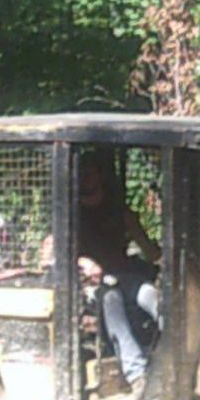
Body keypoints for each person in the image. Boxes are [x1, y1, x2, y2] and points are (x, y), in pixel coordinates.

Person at [74, 156, 161, 387]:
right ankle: (137, 375)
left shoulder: (118, 212)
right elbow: (57, 250)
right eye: (82, 174)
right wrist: (84, 263)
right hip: (89, 286)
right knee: (111, 299)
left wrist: (162, 259)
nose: (87, 179)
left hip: (124, 277)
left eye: (91, 173)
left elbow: (151, 251)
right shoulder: (72, 216)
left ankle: (169, 353)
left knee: (150, 293)